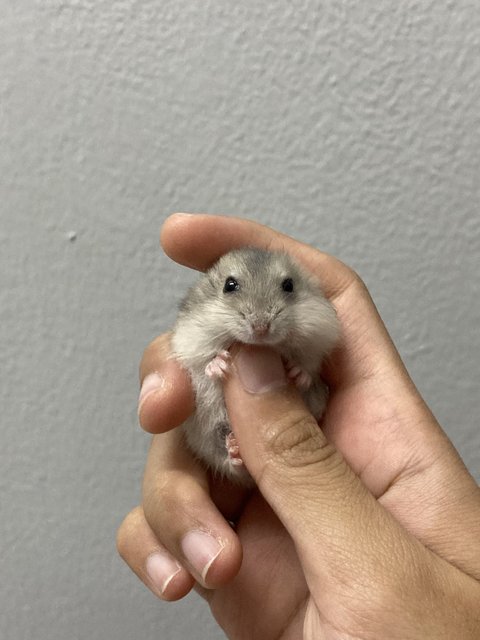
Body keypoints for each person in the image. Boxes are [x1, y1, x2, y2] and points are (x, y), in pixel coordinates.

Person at [117, 213, 480, 639]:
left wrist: (302, 374)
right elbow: (186, 350)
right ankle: (233, 456)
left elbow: (319, 349)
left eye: (284, 290)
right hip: (221, 442)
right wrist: (209, 362)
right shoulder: (198, 327)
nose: (259, 320)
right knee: (198, 432)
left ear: (302, 291)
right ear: (209, 293)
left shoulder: (317, 338)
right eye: (233, 289)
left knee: (313, 396)